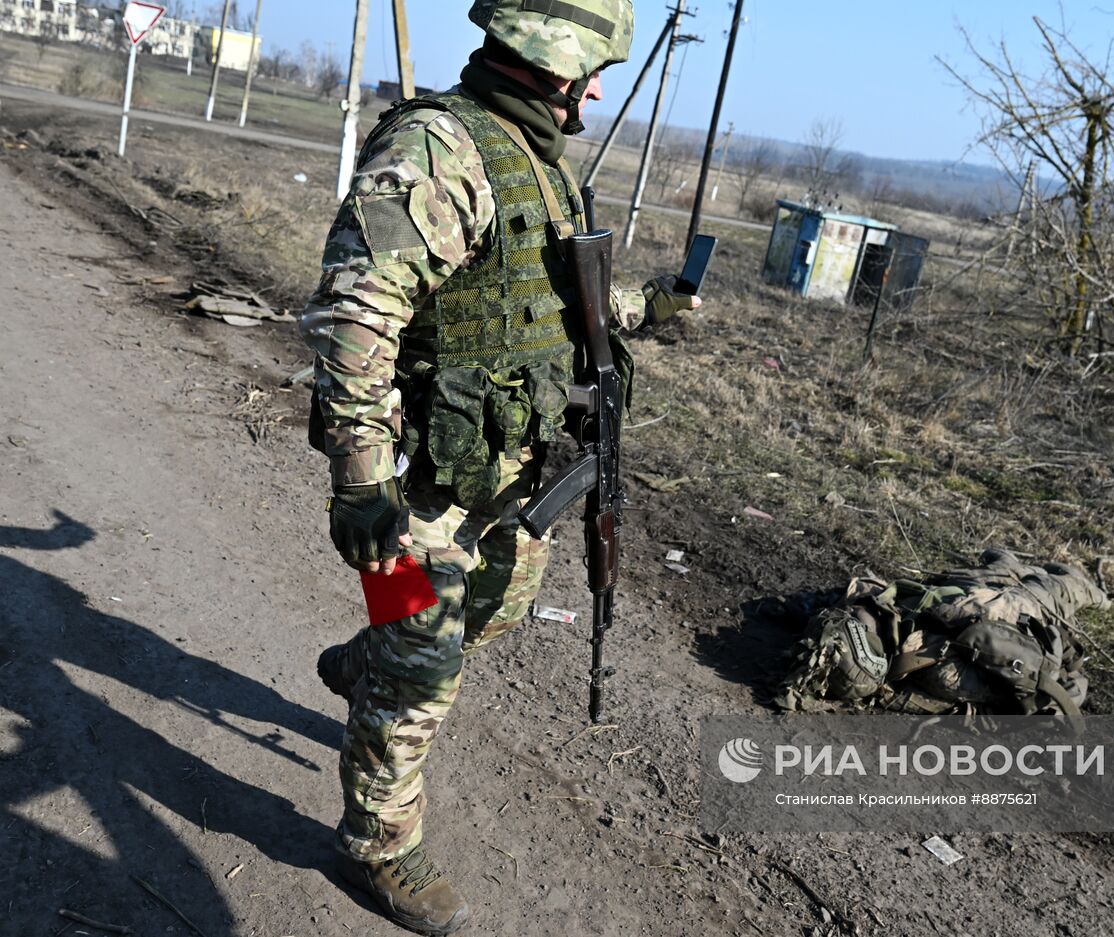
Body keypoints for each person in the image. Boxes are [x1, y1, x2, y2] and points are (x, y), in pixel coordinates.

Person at [298, 2, 695, 933]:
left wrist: (643, 308)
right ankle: (381, 843)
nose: (598, 88)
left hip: (506, 469)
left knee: (496, 610)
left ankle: (369, 663)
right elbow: (356, 315)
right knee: (424, 664)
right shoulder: (439, 150)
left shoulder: (538, 167)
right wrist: (360, 475)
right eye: (591, 68)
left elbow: (549, 303)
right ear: (550, 65)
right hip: (411, 482)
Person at [775, 548, 1110, 724]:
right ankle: (1028, 570)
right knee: (1049, 586)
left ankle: (1019, 567)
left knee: (1032, 583)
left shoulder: (923, 668)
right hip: (990, 603)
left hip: (988, 604)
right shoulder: (922, 663)